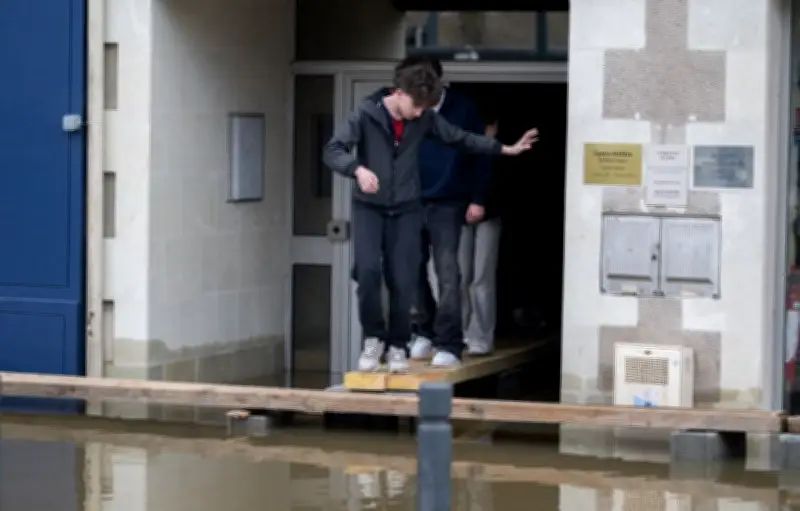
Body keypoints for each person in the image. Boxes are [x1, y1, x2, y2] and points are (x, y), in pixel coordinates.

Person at [323, 58, 538, 373]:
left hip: (425, 204)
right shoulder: (368, 112)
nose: (421, 112)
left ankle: (423, 342)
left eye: (428, 106)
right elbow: (333, 149)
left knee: (426, 274)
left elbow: (462, 138)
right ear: (399, 93)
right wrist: (357, 169)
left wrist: (504, 149)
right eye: (418, 105)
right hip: (380, 206)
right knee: (378, 272)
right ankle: (386, 337)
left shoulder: (425, 119)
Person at [407, 57, 493, 368]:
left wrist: (477, 198)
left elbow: (481, 152)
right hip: (411, 201)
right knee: (410, 269)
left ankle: (450, 343)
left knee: (448, 273)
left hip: (449, 200)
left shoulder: (463, 108)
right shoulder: (405, 106)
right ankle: (424, 332)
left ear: (440, 81)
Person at [459, 117, 502, 356]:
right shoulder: (457, 143)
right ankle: (460, 333)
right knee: (460, 276)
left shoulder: (493, 149)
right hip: (458, 213)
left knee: (481, 278)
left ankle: (480, 336)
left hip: (489, 214)